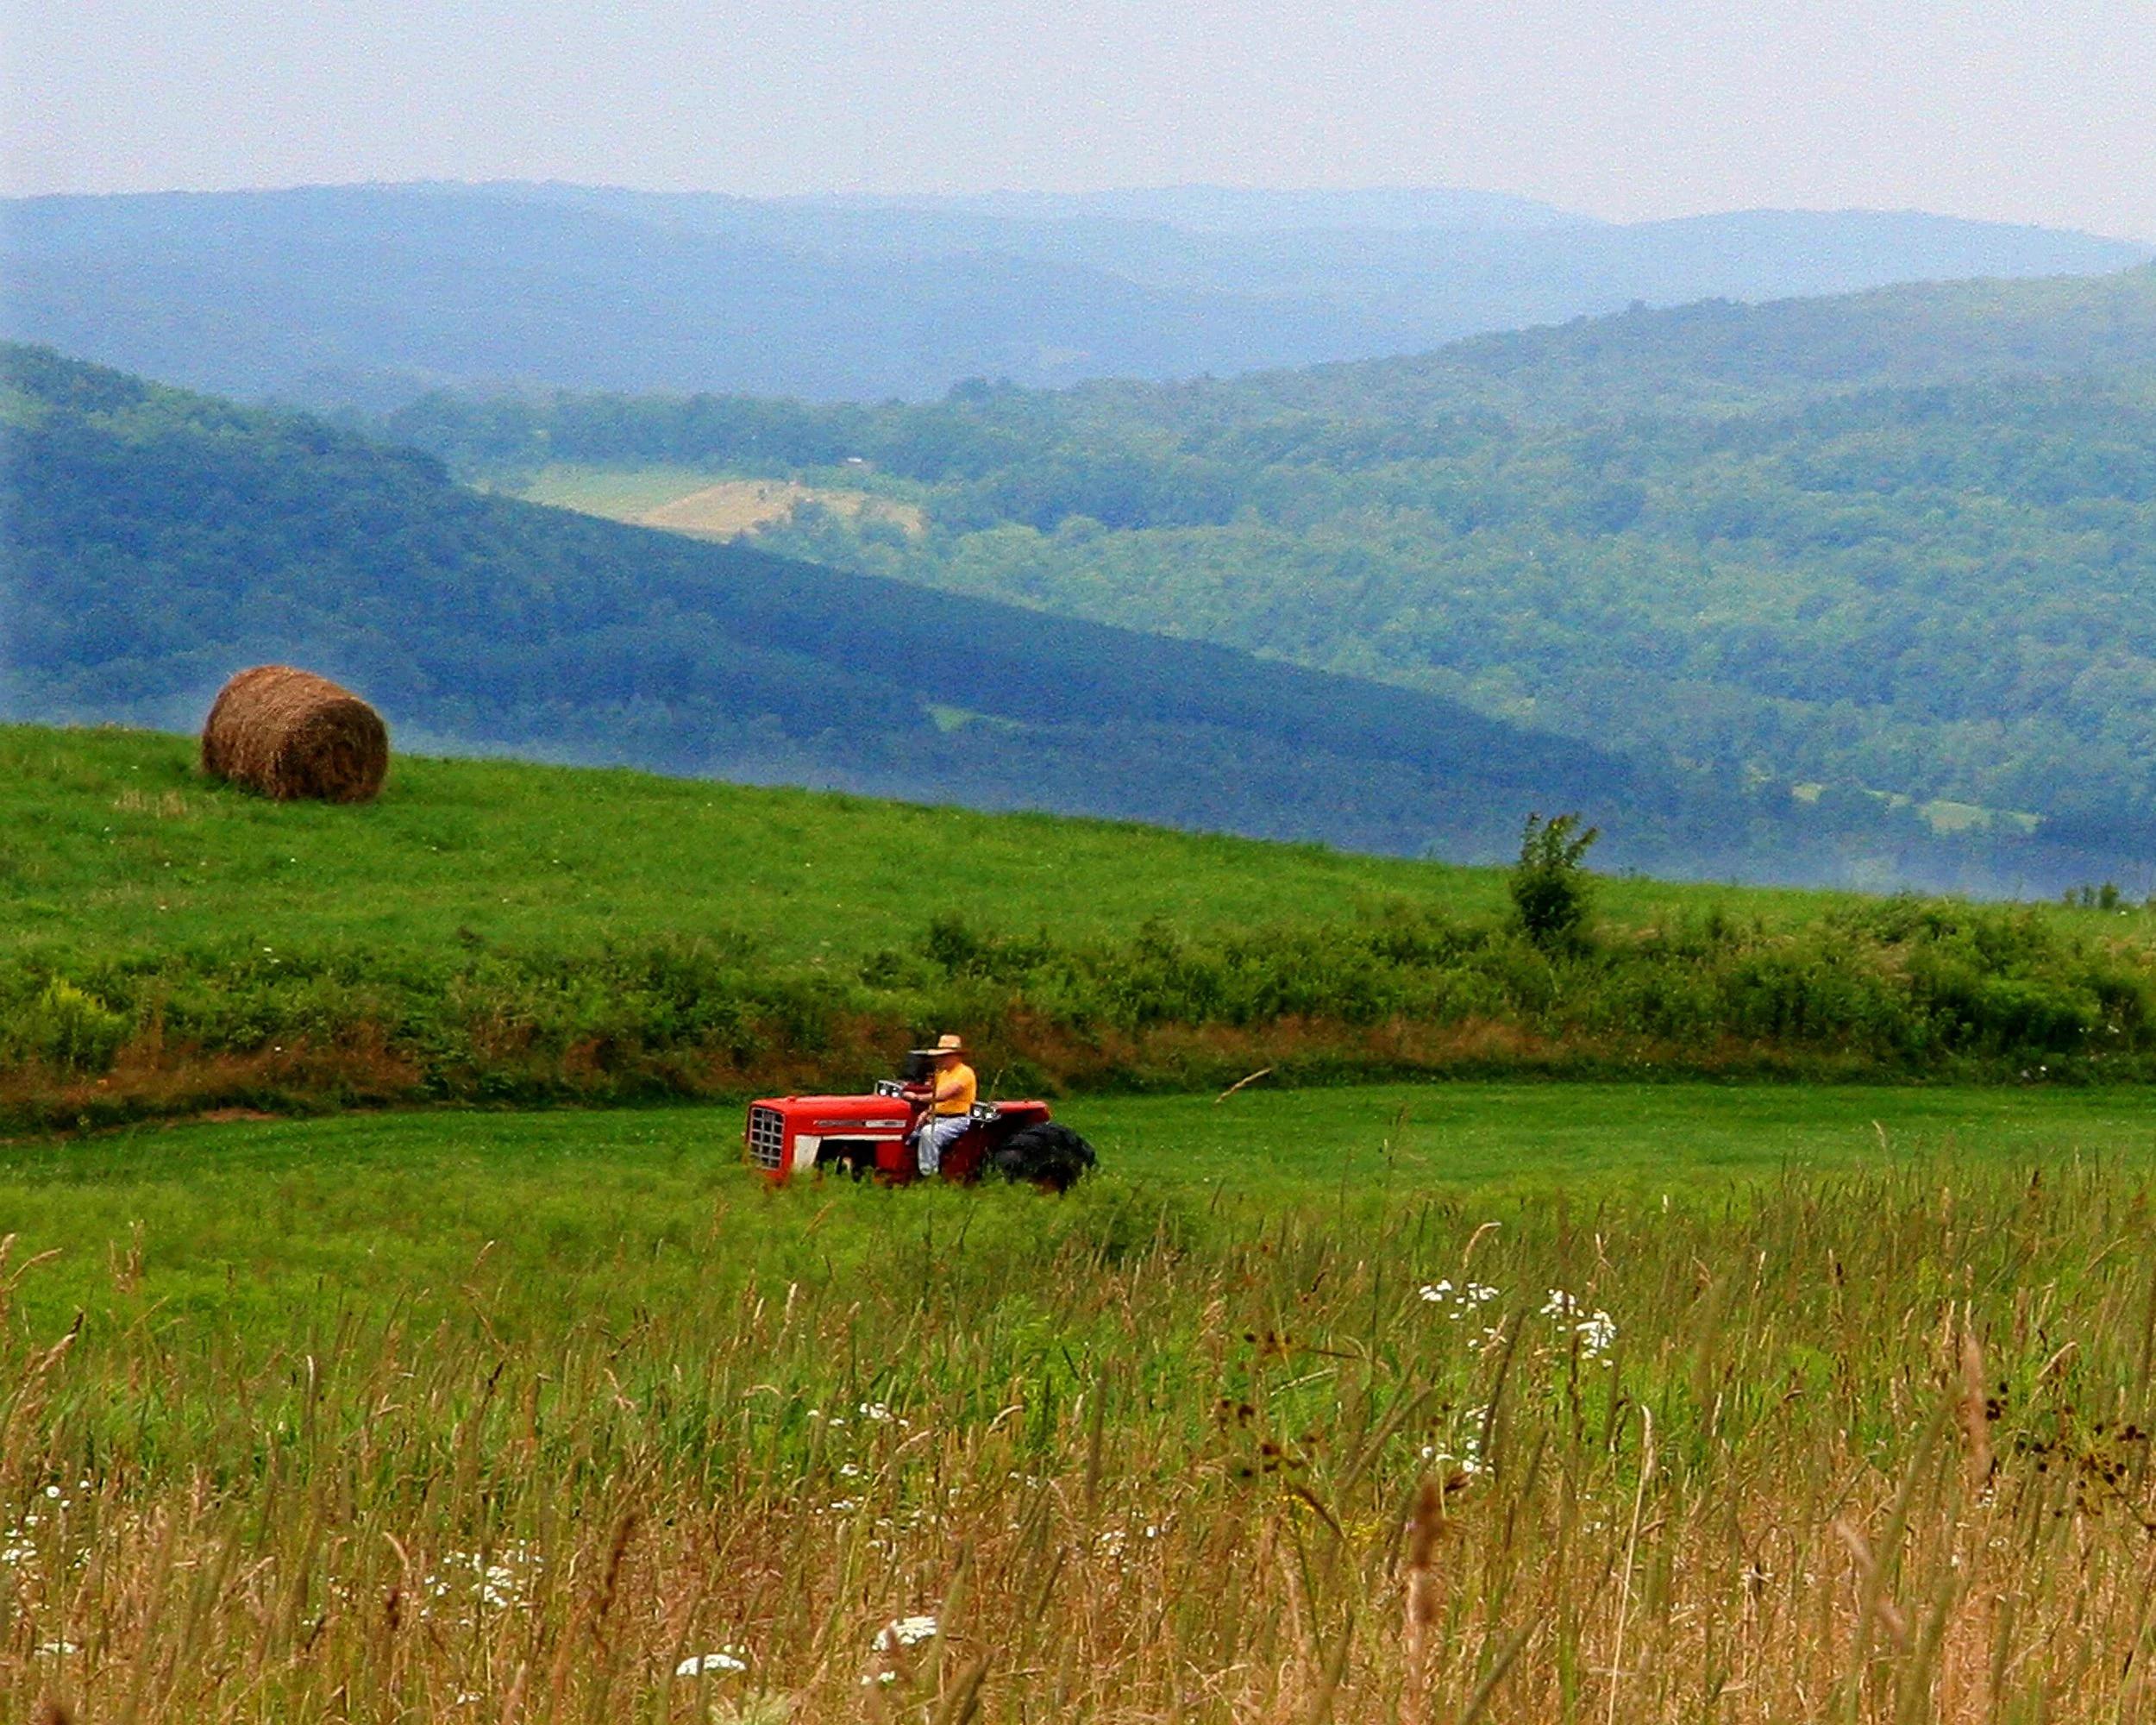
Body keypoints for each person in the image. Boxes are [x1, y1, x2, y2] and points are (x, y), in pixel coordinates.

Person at [907, 1032, 977, 1176]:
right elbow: (936, 1100)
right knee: (909, 1133)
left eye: (944, 1055)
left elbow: (943, 1095)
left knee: (929, 1133)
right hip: (939, 1117)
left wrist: (917, 1098)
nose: (940, 1059)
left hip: (958, 1119)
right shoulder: (943, 1074)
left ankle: (929, 1174)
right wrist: (927, 1112)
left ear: (956, 1056)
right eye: (940, 1055)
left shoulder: (964, 1073)